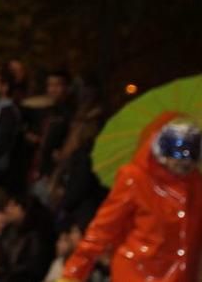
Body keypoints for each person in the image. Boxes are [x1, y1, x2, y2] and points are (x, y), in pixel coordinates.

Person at [59, 114, 201, 282]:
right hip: (137, 274)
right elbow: (103, 228)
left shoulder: (195, 184)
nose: (183, 165)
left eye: (189, 159)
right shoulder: (135, 178)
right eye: (177, 158)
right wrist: (74, 271)